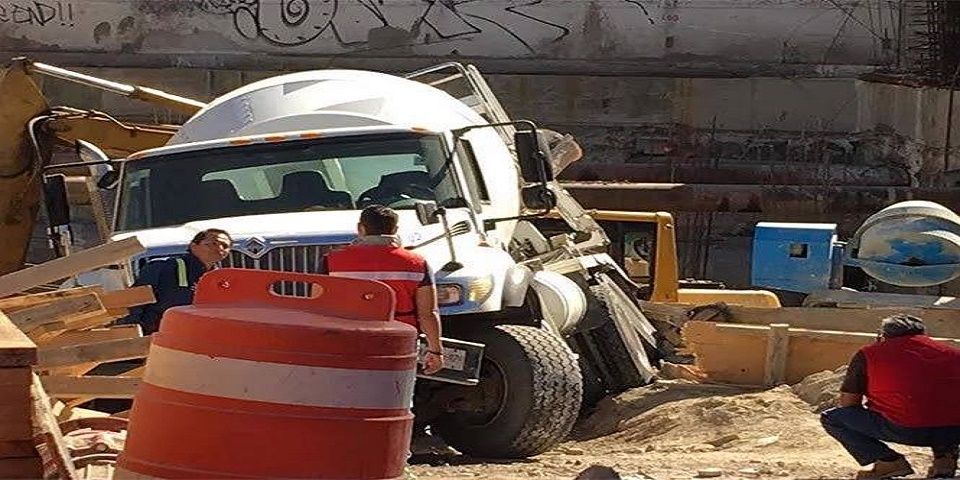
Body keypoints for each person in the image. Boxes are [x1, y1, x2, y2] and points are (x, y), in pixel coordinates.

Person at [821, 314, 960, 479]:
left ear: (883, 335)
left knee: (833, 418)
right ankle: (945, 461)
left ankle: (888, 462)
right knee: (942, 404)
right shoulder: (953, 353)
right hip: (954, 431)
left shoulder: (869, 354)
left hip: (904, 430)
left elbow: (849, 403)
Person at [324, 205, 444, 374]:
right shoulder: (417, 264)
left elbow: (319, 307)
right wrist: (435, 350)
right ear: (395, 229)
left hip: (348, 341)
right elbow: (428, 313)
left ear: (361, 228)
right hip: (399, 342)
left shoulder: (332, 261)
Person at [118, 228, 232, 335]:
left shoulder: (220, 280)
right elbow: (134, 301)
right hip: (157, 336)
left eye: (225, 246)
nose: (219, 248)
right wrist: (131, 334)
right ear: (193, 246)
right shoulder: (163, 267)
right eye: (213, 243)